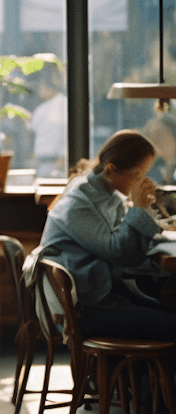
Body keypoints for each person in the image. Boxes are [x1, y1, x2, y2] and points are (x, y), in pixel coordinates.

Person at [39, 130, 175, 349]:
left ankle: (137, 380)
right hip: (84, 309)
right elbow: (117, 251)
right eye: (137, 175)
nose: (142, 181)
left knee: (166, 309)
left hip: (99, 297)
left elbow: (126, 247)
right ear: (111, 169)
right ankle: (146, 383)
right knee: (171, 324)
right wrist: (139, 209)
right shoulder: (78, 200)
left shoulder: (107, 192)